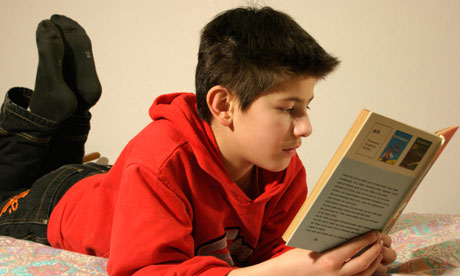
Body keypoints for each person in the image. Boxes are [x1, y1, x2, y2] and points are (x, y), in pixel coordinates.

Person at [0, 7, 396, 276]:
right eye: (289, 109)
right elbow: (142, 271)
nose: (306, 127)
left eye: (308, 107)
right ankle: (47, 117)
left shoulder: (284, 169)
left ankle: (66, 112)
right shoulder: (160, 160)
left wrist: (345, 260)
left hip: (114, 183)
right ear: (223, 104)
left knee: (74, 169)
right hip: (57, 206)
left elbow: (270, 252)